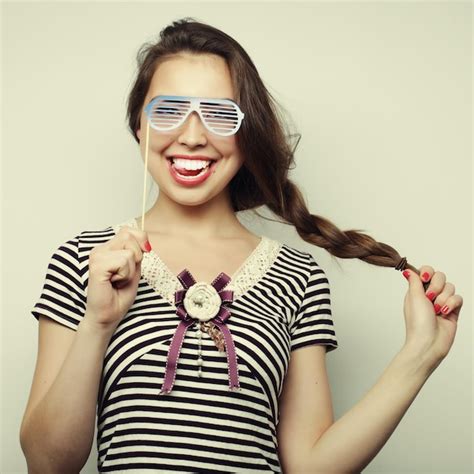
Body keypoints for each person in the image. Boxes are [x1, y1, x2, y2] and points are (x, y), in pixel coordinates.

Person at [19, 18, 463, 474]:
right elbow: (47, 464)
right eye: (169, 110)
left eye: (219, 114)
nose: (192, 136)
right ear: (139, 124)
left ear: (246, 137)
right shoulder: (87, 259)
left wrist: (420, 356)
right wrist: (98, 322)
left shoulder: (299, 276)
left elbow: (311, 467)